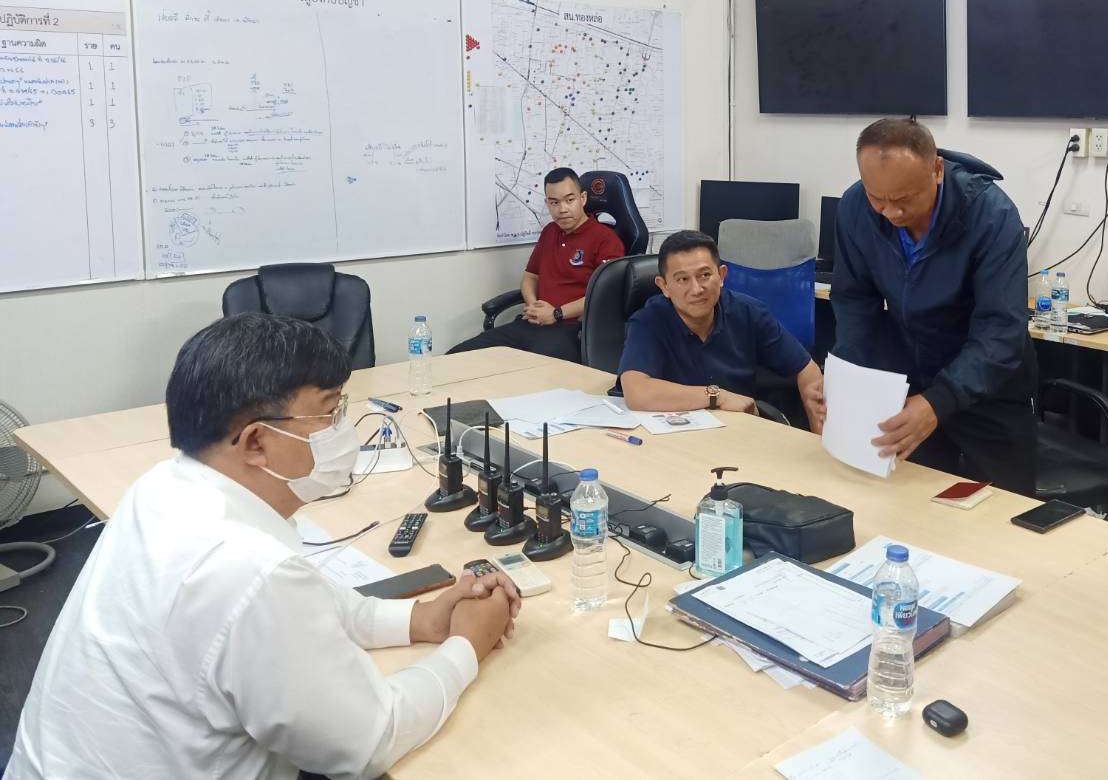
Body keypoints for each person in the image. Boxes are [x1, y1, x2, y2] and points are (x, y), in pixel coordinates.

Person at [7, 313, 521, 780]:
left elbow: (309, 606)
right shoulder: (251, 570)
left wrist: (421, 619)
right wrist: (466, 645)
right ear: (255, 442)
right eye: (330, 412)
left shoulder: (164, 486)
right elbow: (368, 742)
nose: (343, 430)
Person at [829, 118, 1036, 493]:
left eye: (904, 199)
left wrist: (939, 401)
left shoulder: (991, 215)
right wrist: (850, 380)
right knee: (911, 500)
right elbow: (854, 300)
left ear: (937, 169)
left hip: (987, 387)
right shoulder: (855, 207)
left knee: (1001, 509)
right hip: (909, 383)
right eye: (878, 199)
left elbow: (1001, 328)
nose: (891, 213)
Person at [619, 230, 825, 423]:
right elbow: (637, 392)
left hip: (740, 429)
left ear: (722, 275)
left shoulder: (749, 312)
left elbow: (807, 370)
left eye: (704, 275)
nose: (696, 289)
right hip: (674, 432)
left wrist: (820, 440)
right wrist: (716, 396)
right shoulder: (649, 321)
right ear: (664, 286)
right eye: (682, 279)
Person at [450, 167, 624, 361]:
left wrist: (556, 314)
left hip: (571, 330)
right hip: (533, 323)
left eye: (569, 200)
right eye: (554, 202)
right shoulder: (550, 231)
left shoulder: (605, 239)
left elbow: (604, 296)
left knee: (524, 369)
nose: (562, 209)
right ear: (547, 204)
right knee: (457, 356)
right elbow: (530, 277)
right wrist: (533, 306)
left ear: (582, 198)